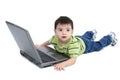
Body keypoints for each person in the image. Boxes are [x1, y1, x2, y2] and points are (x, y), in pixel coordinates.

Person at [35, 16, 117, 71]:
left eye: (67, 30)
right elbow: (49, 41)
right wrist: (41, 45)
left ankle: (110, 37)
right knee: (83, 37)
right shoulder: (55, 38)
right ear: (55, 31)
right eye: (60, 30)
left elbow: (73, 60)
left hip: (85, 45)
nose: (64, 33)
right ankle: (91, 33)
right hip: (79, 38)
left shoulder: (73, 45)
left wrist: (63, 64)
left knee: (98, 46)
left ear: (72, 32)